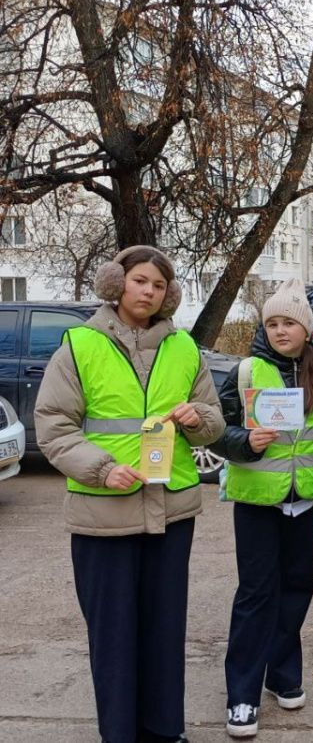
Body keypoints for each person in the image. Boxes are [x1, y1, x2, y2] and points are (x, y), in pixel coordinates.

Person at [34, 245, 225, 743]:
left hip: (172, 515)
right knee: (114, 637)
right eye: (141, 280)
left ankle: (165, 731)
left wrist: (197, 419)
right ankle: (119, 734)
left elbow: (213, 424)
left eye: (159, 285)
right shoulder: (79, 345)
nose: (149, 291)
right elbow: (54, 427)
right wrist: (101, 468)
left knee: (164, 632)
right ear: (116, 284)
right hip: (103, 516)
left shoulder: (185, 348)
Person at [212, 278, 313, 738]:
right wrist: (244, 442)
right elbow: (218, 431)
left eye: (288, 322)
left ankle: (283, 673)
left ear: (306, 329)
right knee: (256, 595)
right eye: (271, 323)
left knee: (297, 590)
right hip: (257, 501)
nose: (279, 330)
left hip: (305, 501)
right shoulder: (247, 372)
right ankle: (242, 694)